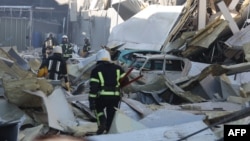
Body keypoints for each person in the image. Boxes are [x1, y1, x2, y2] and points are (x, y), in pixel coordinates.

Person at [88, 48, 129, 135]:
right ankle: (109, 131)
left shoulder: (96, 70)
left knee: (98, 109)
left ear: (98, 59)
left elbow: (93, 88)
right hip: (115, 97)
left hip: (102, 96)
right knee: (111, 113)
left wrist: (91, 101)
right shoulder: (118, 68)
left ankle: (102, 122)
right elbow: (126, 81)